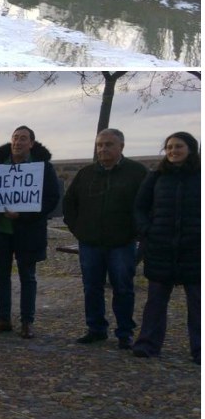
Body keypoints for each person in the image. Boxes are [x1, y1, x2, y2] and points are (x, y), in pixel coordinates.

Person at [62, 128, 149, 349]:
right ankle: (96, 328)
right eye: (100, 144)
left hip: (122, 243)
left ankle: (124, 332)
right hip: (90, 242)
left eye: (108, 144)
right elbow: (70, 204)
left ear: (121, 146)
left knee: (123, 288)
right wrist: (79, 230)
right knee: (91, 287)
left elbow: (147, 205)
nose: (103, 149)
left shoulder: (137, 173)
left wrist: (137, 232)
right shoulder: (86, 174)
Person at [0, 126, 62, 339]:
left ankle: (27, 321)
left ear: (31, 143)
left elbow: (52, 198)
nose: (18, 142)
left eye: (23, 139)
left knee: (27, 276)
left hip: (28, 231)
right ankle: (3, 318)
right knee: (1, 275)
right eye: (15, 138)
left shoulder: (43, 167)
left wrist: (24, 215)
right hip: (0, 230)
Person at [133, 132, 200, 364]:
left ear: (190, 148)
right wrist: (147, 230)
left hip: (194, 249)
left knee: (198, 303)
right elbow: (140, 207)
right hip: (161, 247)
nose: (173, 151)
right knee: (155, 301)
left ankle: (199, 349)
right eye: (169, 147)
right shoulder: (156, 177)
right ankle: (147, 344)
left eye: (178, 146)